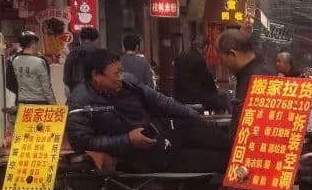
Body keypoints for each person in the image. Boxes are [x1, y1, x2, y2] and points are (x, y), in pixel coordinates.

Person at [66, 49, 229, 173]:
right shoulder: (80, 102)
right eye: (116, 74)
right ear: (96, 75)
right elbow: (82, 142)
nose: (120, 77)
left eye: (121, 71)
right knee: (220, 160)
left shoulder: (128, 82)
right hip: (143, 157)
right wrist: (127, 139)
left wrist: (192, 115)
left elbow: (161, 101)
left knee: (219, 140)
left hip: (165, 133)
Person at [216, 29, 274, 126]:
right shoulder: (248, 73)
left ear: (232, 54)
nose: (222, 64)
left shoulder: (259, 78)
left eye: (221, 59)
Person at [174, 36, 227, 112]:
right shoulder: (198, 59)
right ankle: (224, 119)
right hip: (195, 97)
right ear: (205, 47)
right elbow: (207, 81)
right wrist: (214, 91)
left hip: (180, 96)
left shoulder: (181, 56)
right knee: (224, 95)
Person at [7, 30, 56, 105]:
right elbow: (46, 87)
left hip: (22, 102)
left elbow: (9, 82)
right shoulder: (39, 61)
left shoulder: (15, 60)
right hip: (40, 103)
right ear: (33, 44)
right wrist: (53, 103)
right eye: (36, 44)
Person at [63, 26, 99, 93]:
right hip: (95, 93)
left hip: (76, 92)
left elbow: (66, 79)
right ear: (96, 40)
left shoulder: (72, 54)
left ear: (80, 39)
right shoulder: (100, 54)